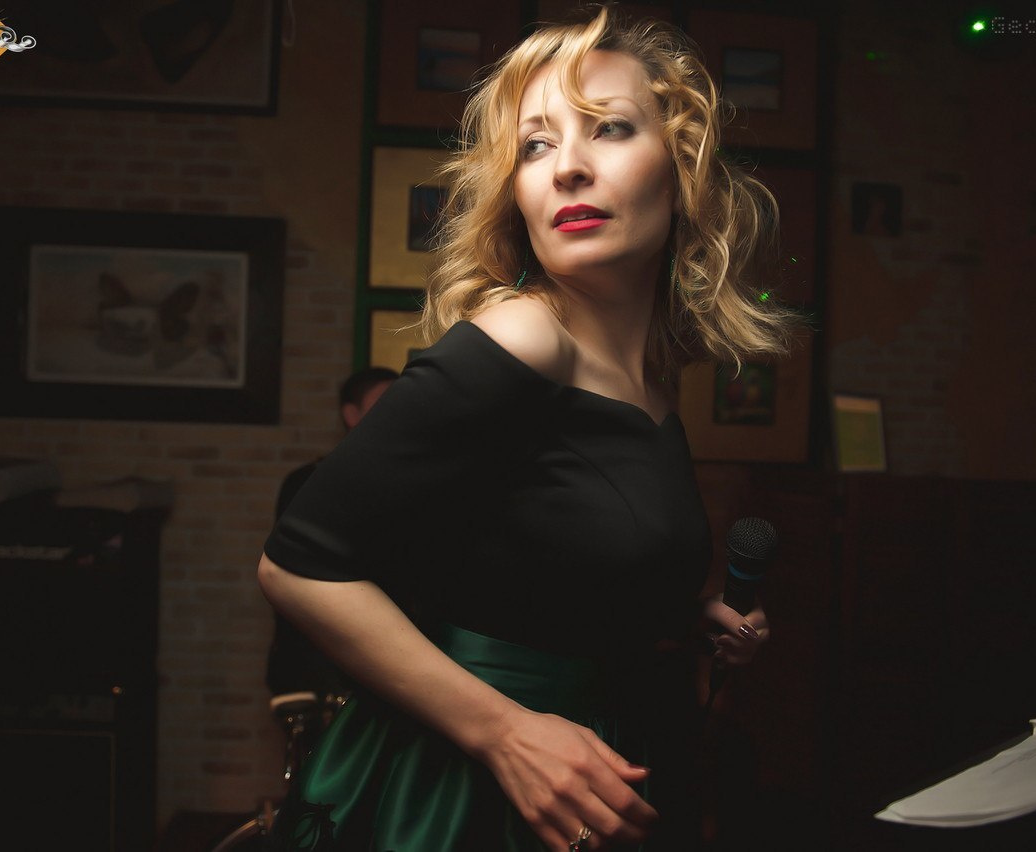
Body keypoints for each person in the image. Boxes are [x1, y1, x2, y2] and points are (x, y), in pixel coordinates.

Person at [258, 7, 793, 850]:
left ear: (682, 169)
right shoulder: (524, 335)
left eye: (609, 128)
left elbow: (535, 565)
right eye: (536, 145)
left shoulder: (654, 373)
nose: (567, 167)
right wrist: (504, 733)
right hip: (456, 796)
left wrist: (691, 612)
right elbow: (296, 566)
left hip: (596, 779)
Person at [266, 367, 399, 699]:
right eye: (385, 400)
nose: (397, 410)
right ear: (351, 414)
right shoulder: (310, 481)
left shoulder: (405, 477)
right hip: (321, 663)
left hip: (388, 658)